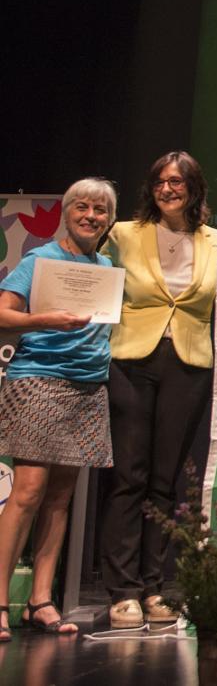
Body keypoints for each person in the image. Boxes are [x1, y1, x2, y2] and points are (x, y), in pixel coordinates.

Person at [101, 151, 217, 628]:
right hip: (131, 360)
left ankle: (153, 587)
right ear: (151, 187)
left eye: (178, 182)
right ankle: (122, 590)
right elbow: (88, 283)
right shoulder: (124, 235)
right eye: (161, 182)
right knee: (131, 475)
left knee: (166, 481)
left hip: (188, 364)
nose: (169, 189)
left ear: (194, 188)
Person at [0, 178, 119, 639]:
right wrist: (42, 320)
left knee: (60, 498)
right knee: (28, 492)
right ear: (67, 212)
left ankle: (41, 600)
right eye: (83, 208)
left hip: (88, 388)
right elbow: (4, 315)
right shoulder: (39, 260)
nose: (92, 217)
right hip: (39, 381)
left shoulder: (105, 265)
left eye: (101, 211)